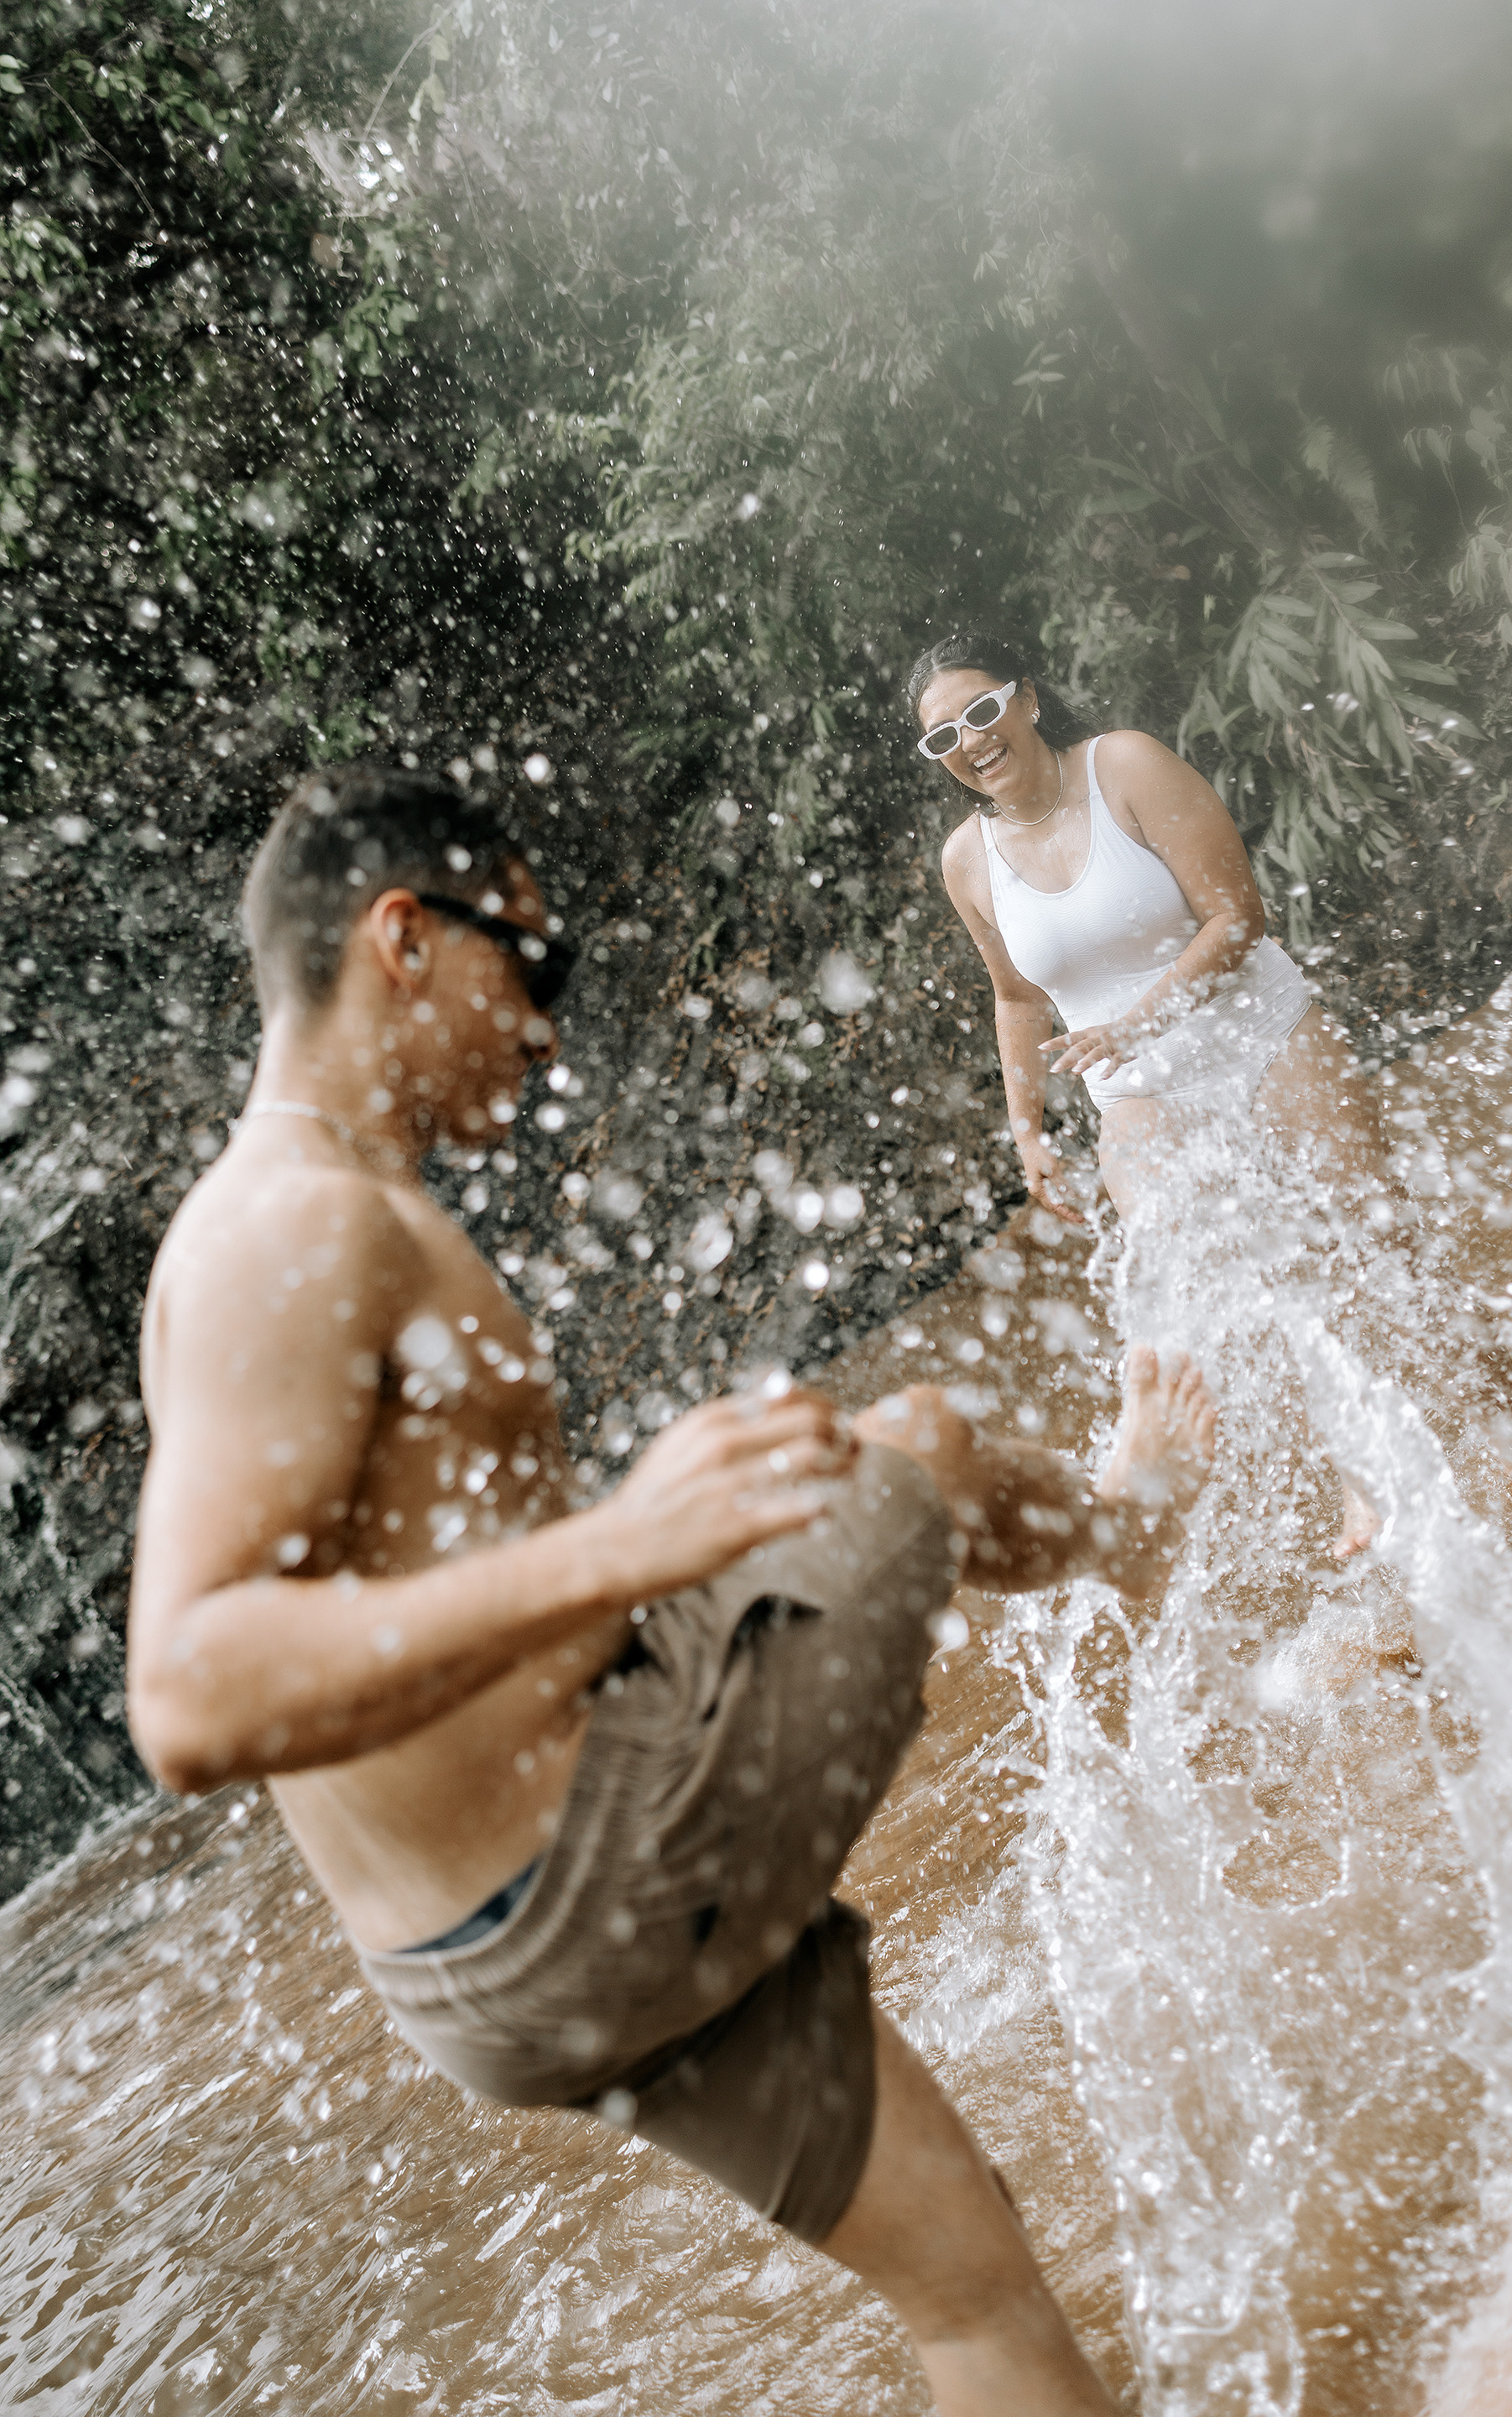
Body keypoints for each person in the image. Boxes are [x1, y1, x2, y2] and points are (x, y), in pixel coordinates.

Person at [127, 763, 1217, 2417]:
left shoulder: (306, 1216)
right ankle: (1129, 1531)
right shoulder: (288, 1228)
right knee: (918, 1439)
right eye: (530, 965)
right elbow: (190, 1693)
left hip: (504, 1949)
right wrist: (625, 1545)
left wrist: (633, 1565)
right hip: (588, 1879)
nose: (543, 1031)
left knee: (975, 2290)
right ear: (403, 939)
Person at [914, 626, 1426, 1561]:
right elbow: (1017, 998)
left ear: (1027, 698)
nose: (972, 740)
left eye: (982, 710)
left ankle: (1496, 1409)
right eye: (944, 735)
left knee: (1374, 1246)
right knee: (1218, 1289)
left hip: (1262, 1036)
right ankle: (1363, 1482)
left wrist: (1135, 1022)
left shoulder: (1124, 767)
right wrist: (1027, 1132)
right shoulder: (967, 859)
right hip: (1139, 1094)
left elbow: (1237, 917)